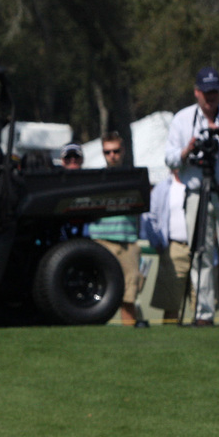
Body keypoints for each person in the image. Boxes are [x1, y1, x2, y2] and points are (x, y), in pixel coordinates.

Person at [163, 67, 219, 326]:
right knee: (200, 253)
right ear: (196, 92)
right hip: (196, 191)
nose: (210, 98)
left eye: (214, 92)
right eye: (205, 92)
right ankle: (203, 312)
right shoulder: (182, 120)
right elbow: (169, 158)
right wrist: (188, 148)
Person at [87, 132, 147, 327]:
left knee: (128, 297)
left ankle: (129, 341)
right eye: (107, 152)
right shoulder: (96, 179)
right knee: (95, 296)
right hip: (100, 241)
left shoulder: (133, 177)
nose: (112, 155)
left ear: (123, 151)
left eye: (116, 151)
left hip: (127, 243)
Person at [147, 169, 191, 323]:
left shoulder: (199, 183)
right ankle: (171, 341)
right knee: (171, 304)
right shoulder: (162, 188)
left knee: (203, 303)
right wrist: (157, 243)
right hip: (174, 248)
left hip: (201, 248)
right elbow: (150, 216)